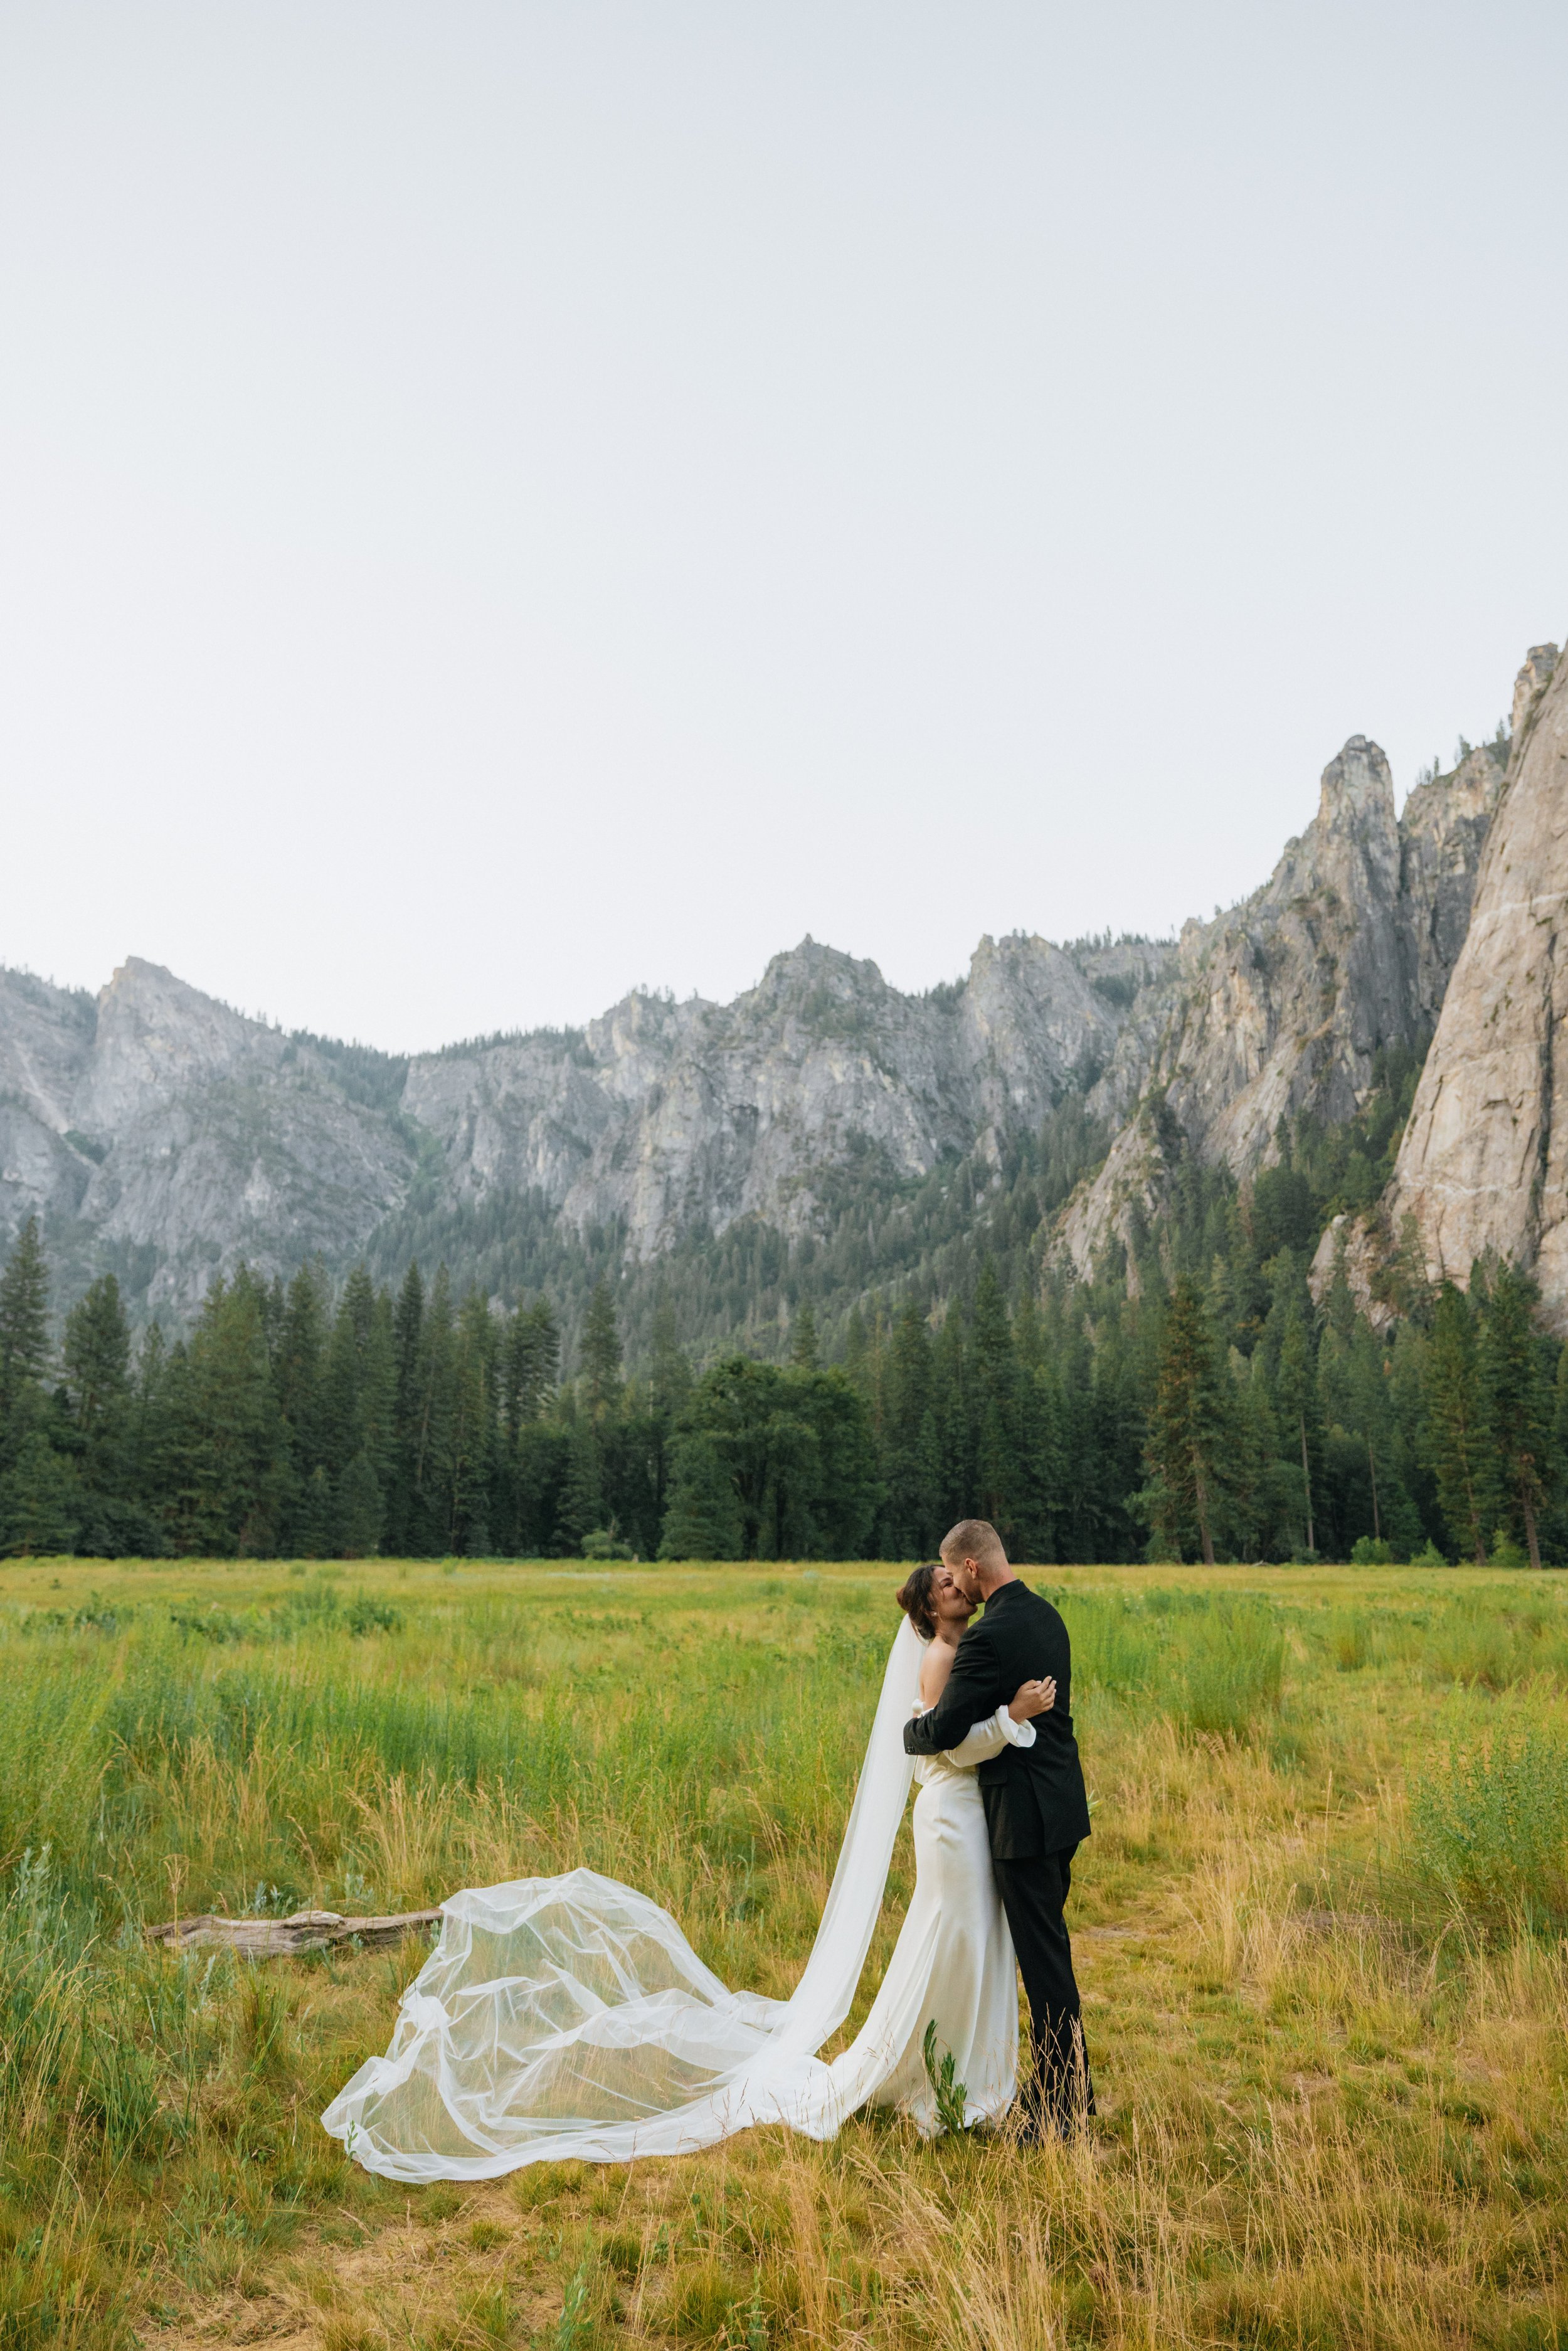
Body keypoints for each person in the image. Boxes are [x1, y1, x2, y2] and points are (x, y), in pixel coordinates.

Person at [322, 1566, 1054, 2179]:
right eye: (945, 1585)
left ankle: (955, 2072)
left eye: (956, 1579)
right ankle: (935, 2076)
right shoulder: (940, 1656)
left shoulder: (963, 1647)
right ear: (928, 1609)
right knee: (949, 1939)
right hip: (952, 1815)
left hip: (963, 1816)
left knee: (961, 1941)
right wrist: (1012, 1718)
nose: (958, 1588)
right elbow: (941, 1745)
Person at [904, 1517, 1094, 2138]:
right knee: (1049, 1955)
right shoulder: (1047, 1617)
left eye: (954, 1573)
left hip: (1022, 1819)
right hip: (1063, 1808)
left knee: (1044, 1965)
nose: (955, 1584)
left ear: (973, 1568)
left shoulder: (987, 1638)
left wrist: (910, 1730)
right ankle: (1057, 2090)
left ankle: (1061, 2106)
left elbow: (944, 1731)